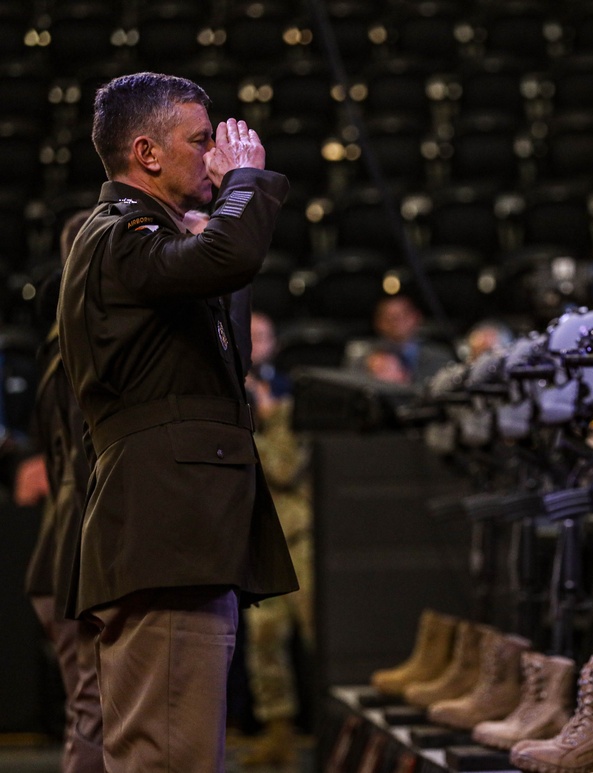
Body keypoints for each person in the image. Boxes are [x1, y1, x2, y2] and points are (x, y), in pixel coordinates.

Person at [57, 72, 298, 772]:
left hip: (180, 535)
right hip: (166, 530)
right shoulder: (120, 233)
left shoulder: (148, 240)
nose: (218, 151)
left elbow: (226, 346)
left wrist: (219, 217)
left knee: (178, 749)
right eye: (200, 139)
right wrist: (244, 187)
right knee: (168, 756)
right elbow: (229, 256)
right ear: (147, 153)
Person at [23, 209, 104, 773]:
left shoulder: (56, 342)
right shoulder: (86, 341)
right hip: (77, 560)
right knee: (95, 712)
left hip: (61, 558)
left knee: (90, 713)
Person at [240, 310, 315, 767]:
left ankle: (334, 728)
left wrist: (265, 421)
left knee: (315, 634)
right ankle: (278, 733)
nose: (253, 341)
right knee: (263, 641)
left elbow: (285, 468)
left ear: (275, 344)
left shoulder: (290, 398)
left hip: (299, 536)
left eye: (262, 334)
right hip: (256, 536)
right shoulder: (224, 391)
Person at [369, 294, 456, 383]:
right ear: (378, 322)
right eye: (389, 317)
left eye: (404, 314)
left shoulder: (440, 358)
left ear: (417, 316)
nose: (397, 322)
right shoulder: (366, 359)